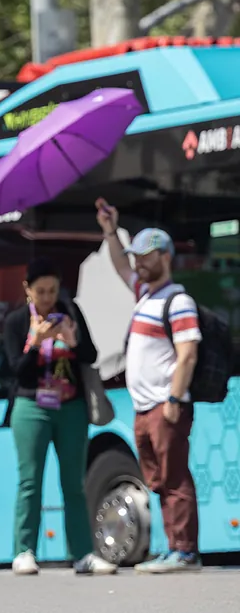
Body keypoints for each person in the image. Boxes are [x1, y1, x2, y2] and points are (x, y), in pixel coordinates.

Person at [96, 199, 202, 573]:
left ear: (165, 257)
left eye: (145, 255)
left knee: (174, 478)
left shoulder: (177, 300)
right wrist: (111, 230)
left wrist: (174, 398)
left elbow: (187, 353)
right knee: (159, 479)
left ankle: (184, 551)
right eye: (136, 256)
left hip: (164, 404)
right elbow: (120, 266)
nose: (138, 262)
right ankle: (174, 547)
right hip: (145, 408)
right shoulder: (145, 295)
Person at [3, 258, 117, 576]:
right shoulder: (15, 321)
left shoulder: (70, 313)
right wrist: (35, 344)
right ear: (28, 290)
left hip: (71, 407)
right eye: (41, 291)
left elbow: (91, 356)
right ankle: (24, 551)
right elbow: (15, 371)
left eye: (52, 290)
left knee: (74, 484)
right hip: (31, 407)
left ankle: (83, 553)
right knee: (30, 481)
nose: (47, 297)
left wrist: (73, 341)